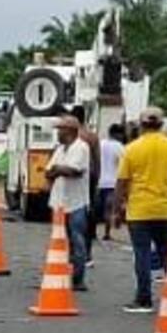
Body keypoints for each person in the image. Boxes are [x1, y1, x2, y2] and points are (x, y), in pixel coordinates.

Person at [113, 106, 167, 313]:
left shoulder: (131, 149)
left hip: (139, 210)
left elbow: (122, 182)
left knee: (142, 254)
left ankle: (143, 297)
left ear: (141, 125)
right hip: (165, 208)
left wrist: (116, 209)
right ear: (161, 124)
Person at [44, 115, 91, 292]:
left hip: (76, 201)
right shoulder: (60, 149)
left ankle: (78, 279)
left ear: (70, 131)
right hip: (59, 201)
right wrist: (58, 171)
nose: (58, 133)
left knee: (77, 240)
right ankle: (61, 272)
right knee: (59, 240)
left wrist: (58, 170)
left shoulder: (81, 147)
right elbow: (49, 171)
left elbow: (74, 171)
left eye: (61, 129)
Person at [71, 106, 101, 266]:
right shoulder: (91, 136)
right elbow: (97, 162)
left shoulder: (69, 135)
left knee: (70, 215)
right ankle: (87, 253)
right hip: (88, 179)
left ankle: (72, 252)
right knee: (88, 217)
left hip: (71, 180)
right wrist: (96, 182)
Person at [98, 124, 125, 241]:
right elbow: (122, 165)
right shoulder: (120, 147)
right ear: (118, 134)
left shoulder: (100, 144)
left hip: (99, 182)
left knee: (97, 208)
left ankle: (92, 232)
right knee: (109, 209)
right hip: (112, 183)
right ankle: (106, 233)